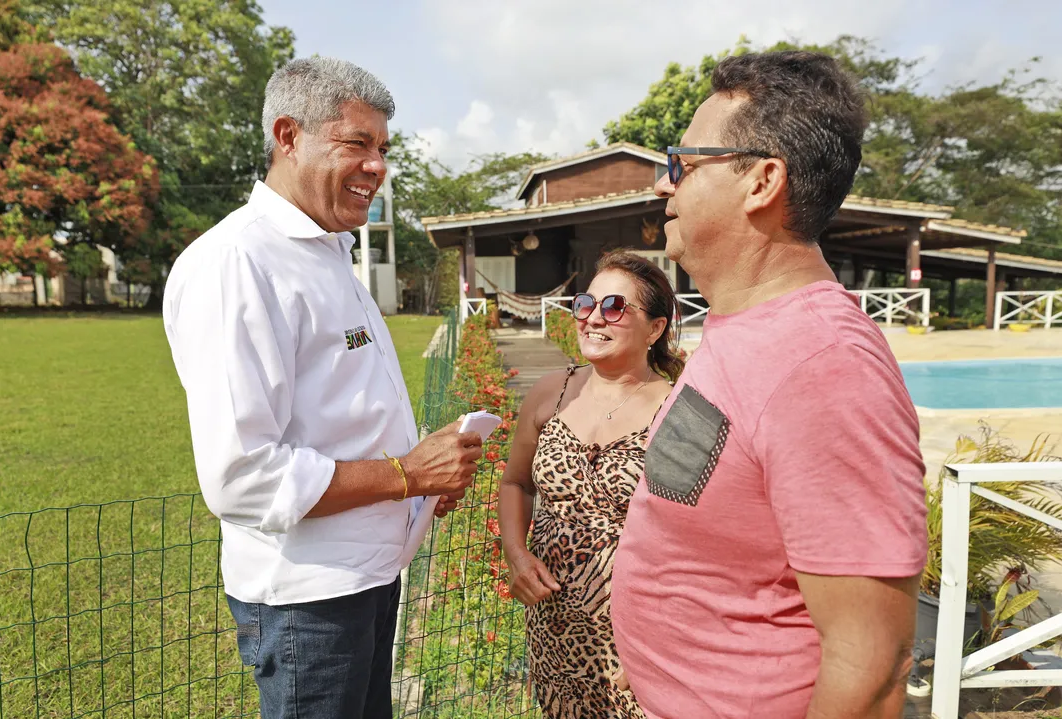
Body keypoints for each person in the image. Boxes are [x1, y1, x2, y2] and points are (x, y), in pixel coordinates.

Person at [162, 57, 483, 719]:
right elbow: (241, 475)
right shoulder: (237, 264)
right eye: (356, 144)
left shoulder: (325, 249)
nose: (377, 166)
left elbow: (338, 416)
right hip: (306, 600)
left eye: (383, 148)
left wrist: (418, 485)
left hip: (365, 578)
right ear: (287, 135)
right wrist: (405, 474)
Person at [611, 51, 928, 719]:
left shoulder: (820, 364)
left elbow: (871, 667)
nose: (664, 187)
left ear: (761, 181)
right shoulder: (745, 330)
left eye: (682, 165)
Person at [498, 250, 684, 719]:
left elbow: (695, 537)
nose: (593, 318)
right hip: (553, 626)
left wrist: (662, 640)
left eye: (615, 307)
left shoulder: (677, 409)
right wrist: (517, 555)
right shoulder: (552, 392)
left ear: (655, 328)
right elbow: (516, 483)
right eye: (586, 304)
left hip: (637, 633)